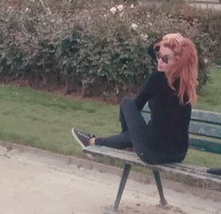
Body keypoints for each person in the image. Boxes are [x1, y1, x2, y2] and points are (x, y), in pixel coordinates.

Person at [71, 32, 198, 165]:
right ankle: (118, 142)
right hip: (178, 154)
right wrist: (168, 38)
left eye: (165, 59)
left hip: (153, 153)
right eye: (159, 56)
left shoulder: (157, 79)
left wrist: (167, 37)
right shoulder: (186, 85)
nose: (160, 61)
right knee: (141, 128)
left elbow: (137, 105)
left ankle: (94, 142)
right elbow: (151, 51)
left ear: (177, 62)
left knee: (127, 102)